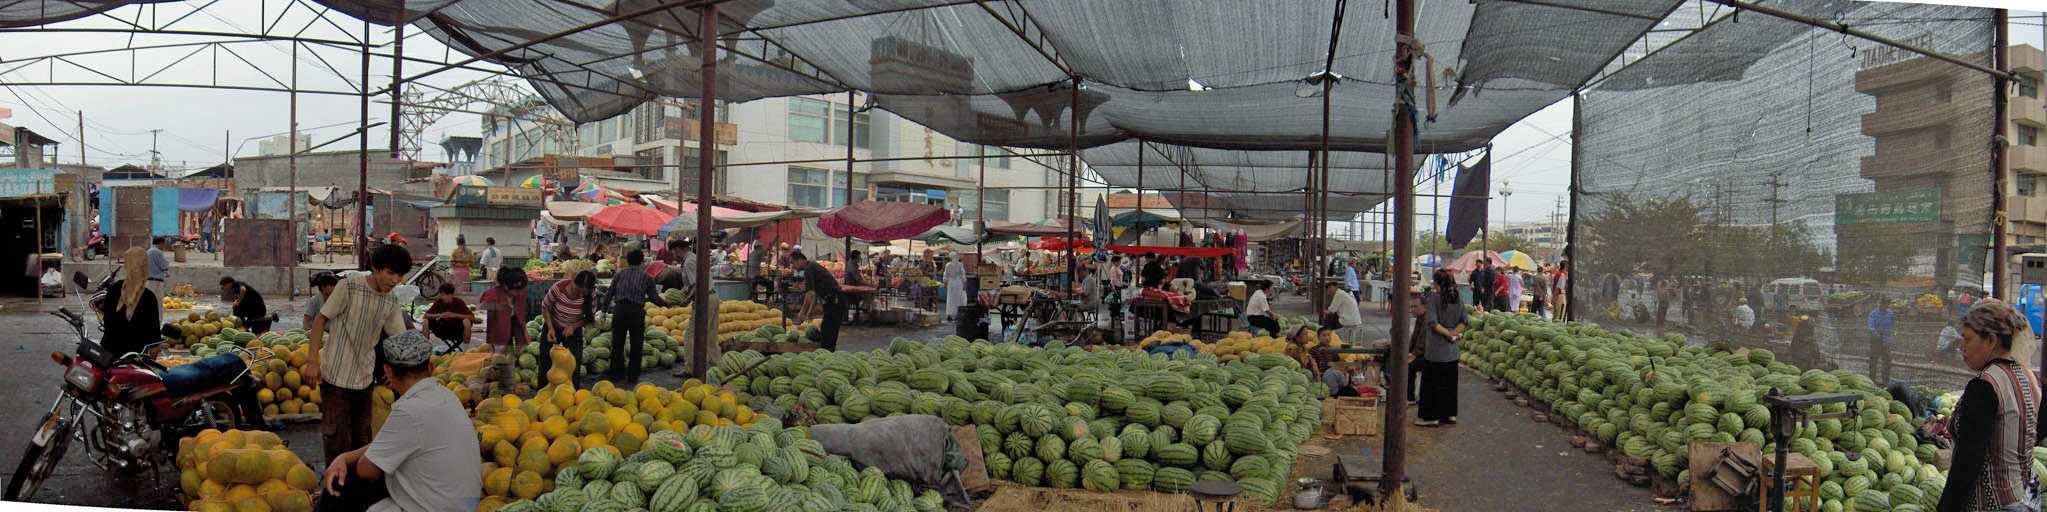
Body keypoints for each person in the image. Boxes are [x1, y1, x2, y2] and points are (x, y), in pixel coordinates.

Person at [318, 331, 482, 512]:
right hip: (464, 502)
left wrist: (345, 459)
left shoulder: (409, 411)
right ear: (431, 367)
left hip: (439, 507)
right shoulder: (446, 395)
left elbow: (366, 471)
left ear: (387, 371)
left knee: (339, 484)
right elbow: (386, 446)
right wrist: (345, 457)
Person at [1936, 300, 2045, 512]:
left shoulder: (1984, 386)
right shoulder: (2025, 376)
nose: (1961, 346)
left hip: (1993, 504)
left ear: (1991, 340)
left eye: (1967, 339)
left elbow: (1968, 462)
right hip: (2027, 500)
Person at [306, 244, 412, 462]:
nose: (395, 280)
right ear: (376, 268)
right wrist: (312, 361)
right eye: (390, 273)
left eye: (400, 275)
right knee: (337, 438)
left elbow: (399, 339)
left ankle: (355, 482)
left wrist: (399, 372)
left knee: (362, 439)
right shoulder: (349, 287)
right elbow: (320, 320)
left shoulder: (391, 300)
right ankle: (334, 481)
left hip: (365, 379)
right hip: (335, 376)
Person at [1417, 269, 1469, 427]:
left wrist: (1447, 333)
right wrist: (1454, 333)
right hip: (1452, 351)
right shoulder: (1458, 297)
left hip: (1435, 350)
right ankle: (1449, 415)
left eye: (1434, 282)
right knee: (1449, 383)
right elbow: (1464, 321)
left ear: (1438, 283)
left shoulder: (1434, 298)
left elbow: (1432, 323)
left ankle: (1430, 417)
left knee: (1432, 384)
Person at [607, 250, 666, 384]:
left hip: (620, 311)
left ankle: (616, 375)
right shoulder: (647, 277)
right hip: (636, 312)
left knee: (617, 344)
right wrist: (667, 304)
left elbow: (609, 293)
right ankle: (633, 376)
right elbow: (654, 298)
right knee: (636, 345)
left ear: (627, 261)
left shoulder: (619, 274)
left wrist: (604, 310)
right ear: (642, 262)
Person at [101, 248, 163, 357]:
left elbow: (106, 321)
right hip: (133, 358)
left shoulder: (114, 289)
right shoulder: (149, 297)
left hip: (107, 354)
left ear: (126, 266)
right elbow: (154, 336)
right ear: (145, 267)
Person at [540, 271, 596, 388]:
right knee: (546, 362)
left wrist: (573, 326)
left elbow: (589, 317)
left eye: (584, 292)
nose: (580, 294)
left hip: (574, 332)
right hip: (553, 326)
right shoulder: (558, 288)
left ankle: (570, 393)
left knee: (573, 365)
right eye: (578, 290)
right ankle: (543, 392)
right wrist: (550, 329)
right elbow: (545, 307)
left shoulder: (591, 294)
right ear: (573, 281)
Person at [479, 268, 529, 395]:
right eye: (514, 290)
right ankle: (497, 387)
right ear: (505, 285)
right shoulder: (493, 294)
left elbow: (521, 314)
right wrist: (500, 307)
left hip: (515, 325)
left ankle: (506, 387)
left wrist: (523, 334)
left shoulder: (521, 292)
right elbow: (482, 306)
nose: (517, 293)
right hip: (498, 329)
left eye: (520, 290)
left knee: (509, 358)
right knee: (501, 357)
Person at [792, 251, 845, 351]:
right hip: (834, 300)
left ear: (799, 260)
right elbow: (813, 294)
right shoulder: (811, 266)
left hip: (835, 299)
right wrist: (808, 312)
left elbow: (810, 294)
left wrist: (802, 312)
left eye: (793, 263)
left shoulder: (809, 269)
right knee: (828, 329)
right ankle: (828, 351)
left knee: (828, 329)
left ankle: (827, 353)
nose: (793, 266)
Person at [1868, 298, 1897, 383]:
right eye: (1883, 305)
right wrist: (1876, 334)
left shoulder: (1890, 313)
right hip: (1876, 340)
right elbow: (1871, 327)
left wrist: (1893, 335)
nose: (1885, 307)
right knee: (1873, 361)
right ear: (1880, 304)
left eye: (1886, 305)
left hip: (1886, 340)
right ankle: (1872, 380)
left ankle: (1885, 381)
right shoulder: (1873, 313)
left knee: (1887, 361)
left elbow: (1893, 325)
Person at [943, 255, 967, 321]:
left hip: (951, 283)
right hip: (958, 283)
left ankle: (950, 314)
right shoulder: (960, 265)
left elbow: (945, 275)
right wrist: (964, 283)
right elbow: (963, 275)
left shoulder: (948, 265)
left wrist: (945, 282)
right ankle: (957, 314)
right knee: (959, 298)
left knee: (950, 299)